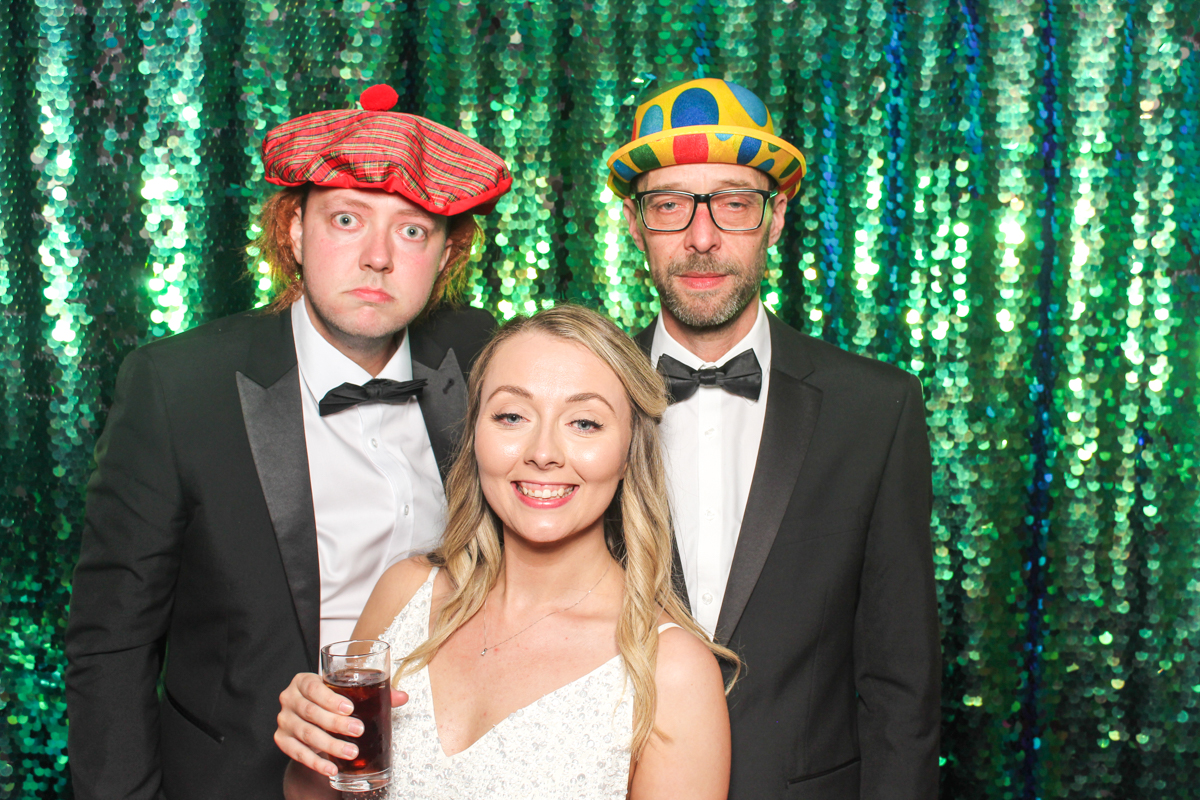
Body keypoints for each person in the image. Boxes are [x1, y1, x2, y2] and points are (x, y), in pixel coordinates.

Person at [64, 84, 512, 799]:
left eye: (411, 230)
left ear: (446, 253)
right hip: (246, 779)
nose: (376, 257)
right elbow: (110, 645)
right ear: (294, 233)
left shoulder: (483, 354)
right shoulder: (178, 386)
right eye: (345, 219)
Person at [606, 78, 941, 798]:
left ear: (776, 217)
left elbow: (901, 680)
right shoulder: (580, 399)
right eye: (669, 206)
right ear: (636, 226)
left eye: (733, 202)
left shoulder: (874, 407)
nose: (701, 238)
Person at [274, 305, 736, 799]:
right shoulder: (402, 592)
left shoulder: (671, 670)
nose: (542, 452)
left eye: (584, 423)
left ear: (628, 453)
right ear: (475, 434)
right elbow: (318, 794)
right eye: (512, 416)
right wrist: (311, 748)